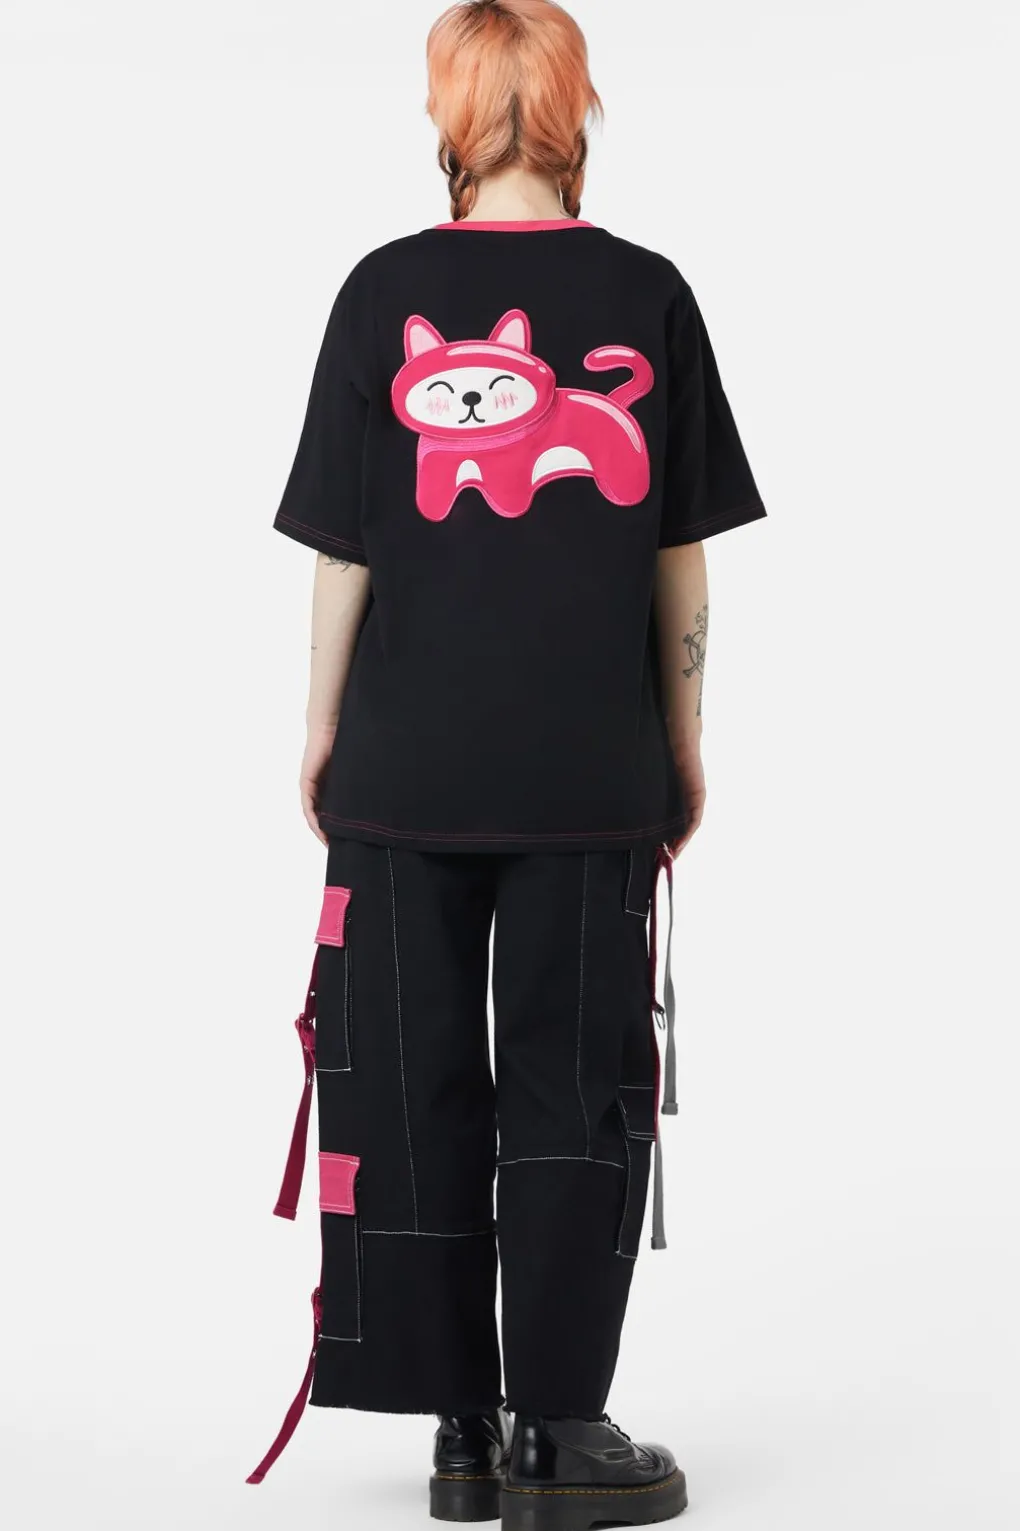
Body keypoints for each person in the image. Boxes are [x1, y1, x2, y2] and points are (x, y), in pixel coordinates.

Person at [247, 1, 765, 1524]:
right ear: (576, 109)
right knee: (576, 1086)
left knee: (408, 1085)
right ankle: (558, 1433)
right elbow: (678, 552)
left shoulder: (382, 289)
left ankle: (460, 1430)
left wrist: (321, 724)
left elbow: (346, 553)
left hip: (405, 769)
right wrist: (683, 742)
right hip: (587, 773)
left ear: (449, 120)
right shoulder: (649, 292)